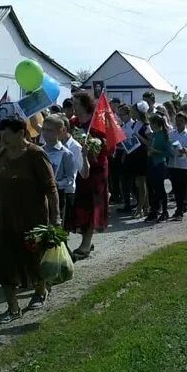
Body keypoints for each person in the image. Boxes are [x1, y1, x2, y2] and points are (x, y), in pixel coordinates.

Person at [0, 116, 60, 323]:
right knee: (5, 262)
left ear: (21, 133)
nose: (2, 139)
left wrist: (55, 218)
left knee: (34, 259)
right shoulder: (3, 154)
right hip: (5, 218)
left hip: (32, 219)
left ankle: (40, 291)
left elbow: (51, 190)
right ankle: (12, 307)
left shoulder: (36, 155)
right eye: (1, 135)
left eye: (7, 135)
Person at [68, 92, 108, 258]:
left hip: (96, 171)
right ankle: (85, 240)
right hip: (78, 168)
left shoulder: (97, 122)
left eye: (76, 104)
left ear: (85, 105)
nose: (74, 107)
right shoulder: (73, 123)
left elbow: (105, 147)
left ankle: (86, 244)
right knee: (79, 204)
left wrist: (91, 147)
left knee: (91, 205)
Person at [41, 114, 77, 235]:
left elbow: (70, 179)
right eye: (44, 129)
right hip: (40, 194)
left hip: (58, 195)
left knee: (57, 229)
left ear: (59, 131)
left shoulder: (66, 154)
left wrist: (58, 183)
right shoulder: (39, 151)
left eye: (50, 130)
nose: (45, 133)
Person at [145, 114, 174, 223]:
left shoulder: (164, 135)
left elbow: (169, 153)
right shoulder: (155, 135)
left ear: (156, 124)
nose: (150, 126)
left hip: (160, 164)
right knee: (152, 188)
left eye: (151, 123)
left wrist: (155, 151)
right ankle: (154, 210)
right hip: (152, 163)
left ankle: (165, 211)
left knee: (161, 189)